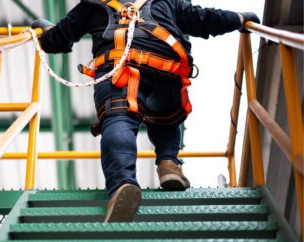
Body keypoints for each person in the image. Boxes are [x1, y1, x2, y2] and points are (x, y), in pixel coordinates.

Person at [32, 0, 260, 222]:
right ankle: (169, 163)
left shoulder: (92, 4)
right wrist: (238, 19)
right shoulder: (168, 1)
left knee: (118, 120)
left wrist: (44, 30)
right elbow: (203, 18)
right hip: (168, 69)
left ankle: (122, 183)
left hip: (120, 70)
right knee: (166, 119)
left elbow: (57, 39)